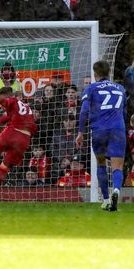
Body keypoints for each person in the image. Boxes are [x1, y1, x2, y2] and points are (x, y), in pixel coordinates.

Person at [76, 60, 126, 212]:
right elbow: (123, 112)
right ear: (109, 72)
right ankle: (116, 190)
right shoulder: (121, 88)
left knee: (101, 163)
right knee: (118, 166)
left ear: (95, 73)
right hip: (118, 129)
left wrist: (80, 132)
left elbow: (84, 111)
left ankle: (105, 200)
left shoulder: (91, 88)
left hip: (99, 131)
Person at [0, 87, 37, 206]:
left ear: (6, 96)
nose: (3, 107)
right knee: (4, 168)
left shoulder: (12, 100)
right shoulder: (27, 109)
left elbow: (5, 102)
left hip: (12, 132)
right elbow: (4, 119)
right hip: (24, 140)